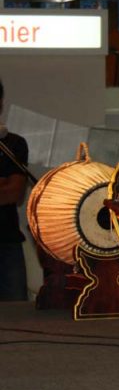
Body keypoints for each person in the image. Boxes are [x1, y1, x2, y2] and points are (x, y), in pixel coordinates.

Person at [0, 79, 30, 301]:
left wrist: (6, 186)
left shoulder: (13, 144)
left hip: (6, 241)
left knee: (16, 311)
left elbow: (14, 193)